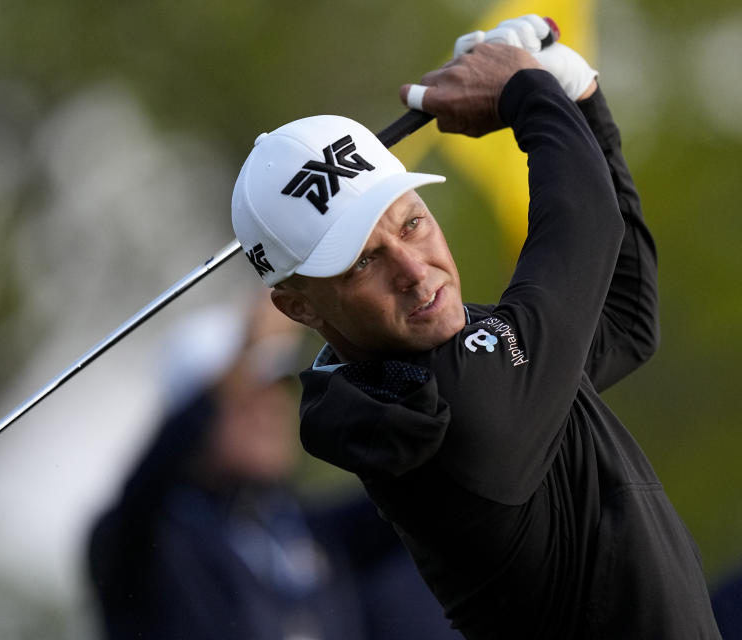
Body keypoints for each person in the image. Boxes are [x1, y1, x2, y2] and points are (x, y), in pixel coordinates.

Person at [230, 15, 722, 639]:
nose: (413, 269)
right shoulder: (453, 413)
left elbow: (624, 319)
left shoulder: (448, 365)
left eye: (411, 224)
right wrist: (529, 92)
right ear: (299, 308)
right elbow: (585, 224)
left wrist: (582, 104)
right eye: (363, 263)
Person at [86, 296, 462, 639]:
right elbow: (147, 481)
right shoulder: (142, 546)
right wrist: (246, 351)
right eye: (245, 396)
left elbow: (427, 486)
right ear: (195, 418)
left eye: (274, 388)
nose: (268, 409)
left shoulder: (299, 527)